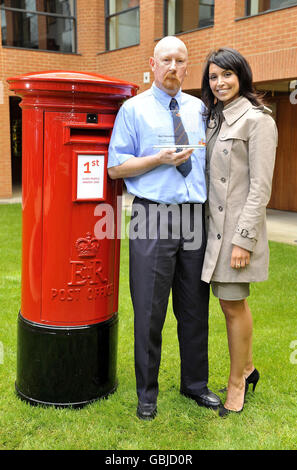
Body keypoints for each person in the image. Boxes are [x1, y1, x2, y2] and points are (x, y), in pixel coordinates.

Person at [108, 36, 221, 420]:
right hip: (151, 216)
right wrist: (156, 159)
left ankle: (195, 385)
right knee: (150, 309)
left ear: (188, 67)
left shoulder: (200, 110)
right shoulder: (132, 110)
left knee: (194, 308)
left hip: (194, 216)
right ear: (152, 64)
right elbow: (115, 168)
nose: (173, 66)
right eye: (166, 60)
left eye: (180, 60)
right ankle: (147, 393)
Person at [201, 48, 278, 417]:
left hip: (234, 235)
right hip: (209, 232)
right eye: (214, 77)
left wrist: (243, 239)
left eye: (226, 75)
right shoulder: (213, 119)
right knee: (225, 302)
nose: (219, 83)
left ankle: (237, 384)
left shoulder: (259, 120)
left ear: (242, 76)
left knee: (233, 304)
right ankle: (248, 369)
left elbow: (261, 189)